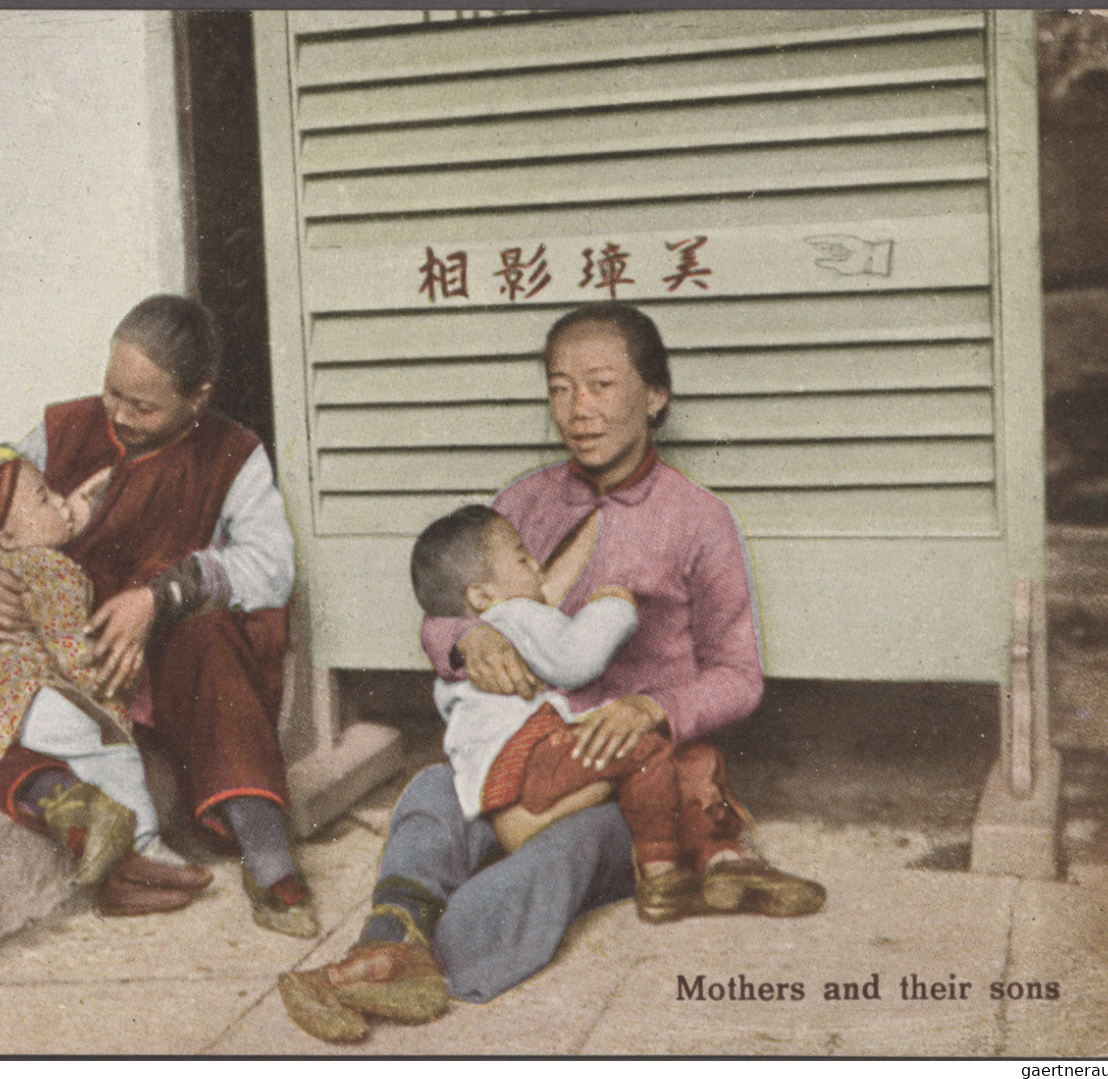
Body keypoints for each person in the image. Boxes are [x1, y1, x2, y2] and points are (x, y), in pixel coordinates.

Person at [278, 301, 826, 1043]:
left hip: (617, 777)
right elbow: (445, 608)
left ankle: (430, 966)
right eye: (559, 387)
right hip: (520, 750)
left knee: (552, 858)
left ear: (655, 395)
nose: (578, 410)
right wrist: (466, 640)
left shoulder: (698, 520)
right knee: (432, 790)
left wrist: (648, 710)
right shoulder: (522, 504)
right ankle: (386, 938)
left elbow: (737, 675)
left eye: (601, 385)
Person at [0, 294, 313, 933]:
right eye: (113, 393)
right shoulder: (62, 430)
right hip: (49, 664)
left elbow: (272, 565)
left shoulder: (234, 454)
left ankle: (267, 854)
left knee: (215, 637)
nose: (121, 415)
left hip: (153, 671)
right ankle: (69, 809)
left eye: (145, 405)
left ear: (198, 397)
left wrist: (160, 598)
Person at [409, 503, 822, 922]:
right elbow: (574, 657)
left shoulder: (692, 512)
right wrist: (614, 604)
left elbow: (739, 678)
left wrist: (656, 705)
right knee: (646, 749)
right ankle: (673, 870)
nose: (535, 565)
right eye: (523, 557)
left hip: (548, 748)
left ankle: (720, 864)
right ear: (481, 596)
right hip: (533, 759)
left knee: (678, 748)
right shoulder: (526, 537)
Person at [0, 445, 210, 900]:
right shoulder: (52, 571)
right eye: (44, 498)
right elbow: (71, 651)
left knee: (89, 754)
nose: (62, 501)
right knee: (112, 748)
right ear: (5, 534)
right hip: (32, 697)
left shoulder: (6, 566)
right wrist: (108, 690)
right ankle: (145, 849)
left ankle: (119, 873)